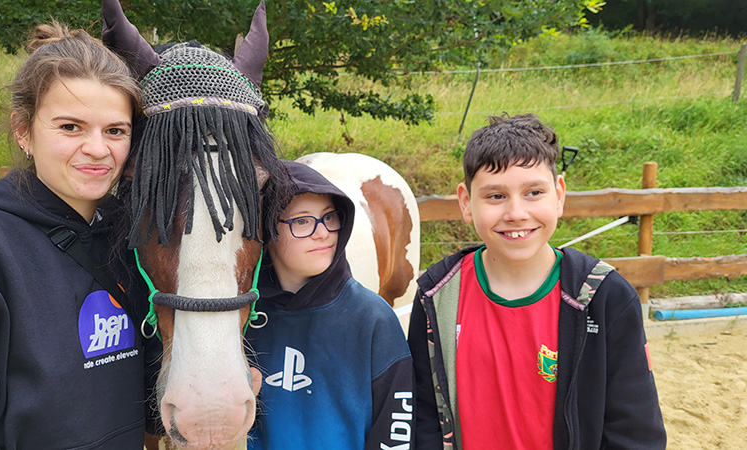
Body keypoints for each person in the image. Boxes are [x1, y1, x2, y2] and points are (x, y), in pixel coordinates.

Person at [0, 21, 156, 449]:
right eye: (70, 127)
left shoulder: (139, 240)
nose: (98, 149)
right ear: (23, 131)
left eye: (115, 130)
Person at [408, 113, 666, 449]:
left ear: (558, 195)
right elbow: (423, 418)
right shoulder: (436, 296)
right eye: (495, 196)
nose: (516, 213)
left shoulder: (605, 297)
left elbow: (635, 431)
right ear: (466, 203)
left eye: (533, 192)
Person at [245, 160, 415, 449]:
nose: (322, 232)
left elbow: (397, 427)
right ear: (267, 231)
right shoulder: (245, 318)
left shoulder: (373, 319)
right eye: (302, 221)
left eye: (329, 217)